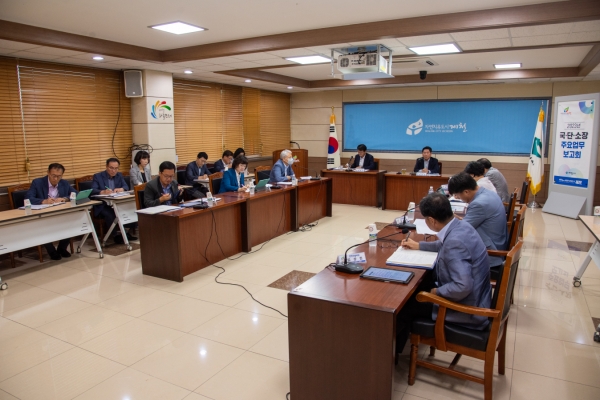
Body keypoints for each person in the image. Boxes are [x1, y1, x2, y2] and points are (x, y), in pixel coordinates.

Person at [396, 193, 492, 353]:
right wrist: (419, 245)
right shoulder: (461, 226)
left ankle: (391, 355)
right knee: (418, 288)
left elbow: (462, 286)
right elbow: (444, 244)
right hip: (480, 297)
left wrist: (436, 292)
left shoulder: (455, 242)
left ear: (431, 220)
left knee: (404, 305)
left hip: (466, 309)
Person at [448, 172, 507, 268]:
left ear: (466, 192)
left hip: (491, 254)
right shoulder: (488, 193)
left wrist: (445, 222)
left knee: (447, 256)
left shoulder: (479, 204)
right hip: (497, 242)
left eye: (458, 195)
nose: (459, 198)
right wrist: (459, 219)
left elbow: (461, 231)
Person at [26, 163, 78, 260]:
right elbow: (28, 198)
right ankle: (51, 251)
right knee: (42, 227)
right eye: (53, 175)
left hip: (60, 213)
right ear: (48, 173)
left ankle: (62, 248)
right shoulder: (37, 182)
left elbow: (76, 193)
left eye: (59, 176)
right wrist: (43, 201)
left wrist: (65, 198)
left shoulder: (64, 183)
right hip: (43, 215)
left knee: (73, 222)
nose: (55, 179)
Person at [91, 158, 137, 243]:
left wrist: (121, 189)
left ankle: (125, 233)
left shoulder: (119, 175)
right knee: (111, 214)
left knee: (130, 209)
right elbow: (93, 190)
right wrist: (103, 192)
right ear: (106, 167)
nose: (113, 171)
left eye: (116, 168)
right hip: (103, 205)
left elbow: (126, 187)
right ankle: (115, 235)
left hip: (117, 202)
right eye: (111, 168)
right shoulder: (98, 176)